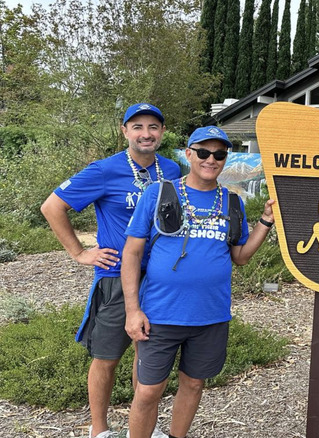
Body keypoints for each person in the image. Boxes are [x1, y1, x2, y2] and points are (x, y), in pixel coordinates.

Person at [122, 126, 276, 438]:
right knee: (149, 392)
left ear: (225, 159)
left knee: (193, 384)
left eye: (219, 154)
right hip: (160, 314)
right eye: (203, 152)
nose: (211, 159)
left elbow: (241, 256)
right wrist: (132, 310)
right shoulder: (158, 193)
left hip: (210, 315)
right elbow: (132, 253)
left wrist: (266, 221)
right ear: (189, 154)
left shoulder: (233, 203)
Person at [41, 103, 180, 438]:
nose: (146, 134)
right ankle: (99, 429)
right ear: (125, 131)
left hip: (161, 278)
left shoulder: (173, 170)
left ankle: (142, 426)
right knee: (107, 356)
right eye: (137, 127)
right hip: (117, 277)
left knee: (147, 354)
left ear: (161, 132)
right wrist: (79, 252)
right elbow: (52, 206)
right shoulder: (104, 170)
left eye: (153, 127)